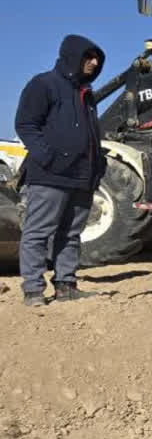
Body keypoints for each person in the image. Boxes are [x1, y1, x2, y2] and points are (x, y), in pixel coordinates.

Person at [13, 35, 108, 306]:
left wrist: (96, 166)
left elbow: (90, 133)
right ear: (72, 56)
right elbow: (26, 124)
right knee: (38, 231)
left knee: (71, 234)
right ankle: (33, 290)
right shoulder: (43, 85)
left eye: (97, 58)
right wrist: (49, 158)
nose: (94, 62)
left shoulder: (86, 94)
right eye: (89, 57)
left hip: (82, 176)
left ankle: (66, 285)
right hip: (50, 175)